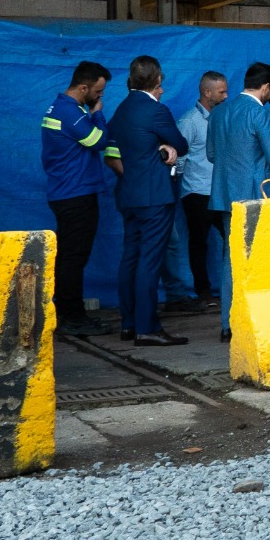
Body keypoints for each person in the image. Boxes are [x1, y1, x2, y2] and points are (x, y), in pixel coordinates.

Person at [103, 56, 190, 346]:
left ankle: (129, 324)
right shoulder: (156, 111)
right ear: (157, 80)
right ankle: (147, 327)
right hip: (154, 196)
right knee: (149, 261)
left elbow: (119, 149)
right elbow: (181, 144)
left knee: (130, 258)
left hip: (128, 194)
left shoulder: (121, 109)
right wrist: (166, 147)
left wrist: (158, 148)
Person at [207, 62, 270, 341]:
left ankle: (228, 324)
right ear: (266, 87)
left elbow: (211, 154)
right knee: (262, 259)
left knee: (231, 259)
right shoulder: (260, 113)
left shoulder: (219, 112)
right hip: (257, 197)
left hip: (225, 196)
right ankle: (258, 321)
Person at [40, 60, 113, 337]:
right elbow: (99, 141)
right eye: (98, 92)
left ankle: (69, 312)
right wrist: (98, 114)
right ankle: (71, 317)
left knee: (70, 257)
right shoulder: (70, 112)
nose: (100, 97)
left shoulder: (60, 108)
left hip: (66, 191)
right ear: (83, 88)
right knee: (73, 257)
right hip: (75, 193)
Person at [173, 71, 228, 308]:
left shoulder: (222, 117)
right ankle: (203, 292)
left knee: (232, 239)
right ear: (207, 92)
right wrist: (185, 182)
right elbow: (179, 158)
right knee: (199, 243)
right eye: (221, 92)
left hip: (221, 190)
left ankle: (230, 288)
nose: (226, 96)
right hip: (197, 192)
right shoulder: (189, 121)